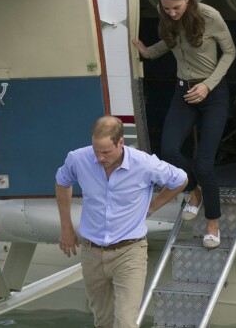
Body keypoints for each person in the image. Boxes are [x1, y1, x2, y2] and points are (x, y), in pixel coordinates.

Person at [131, 0, 235, 249]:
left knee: (203, 163)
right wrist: (147, 52)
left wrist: (208, 86)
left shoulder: (210, 16)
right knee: (169, 151)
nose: (172, 12)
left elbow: (230, 52)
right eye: (166, 8)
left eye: (176, 7)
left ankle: (213, 221)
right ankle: (194, 190)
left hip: (212, 94)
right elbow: (171, 43)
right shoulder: (167, 15)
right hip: (182, 92)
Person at [56, 115, 187, 328]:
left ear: (121, 143)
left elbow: (180, 179)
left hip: (130, 252)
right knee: (103, 322)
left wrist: (152, 206)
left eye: (106, 152)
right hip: (91, 252)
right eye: (96, 150)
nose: (99, 157)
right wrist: (66, 227)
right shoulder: (77, 158)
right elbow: (62, 182)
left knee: (125, 323)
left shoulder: (145, 163)